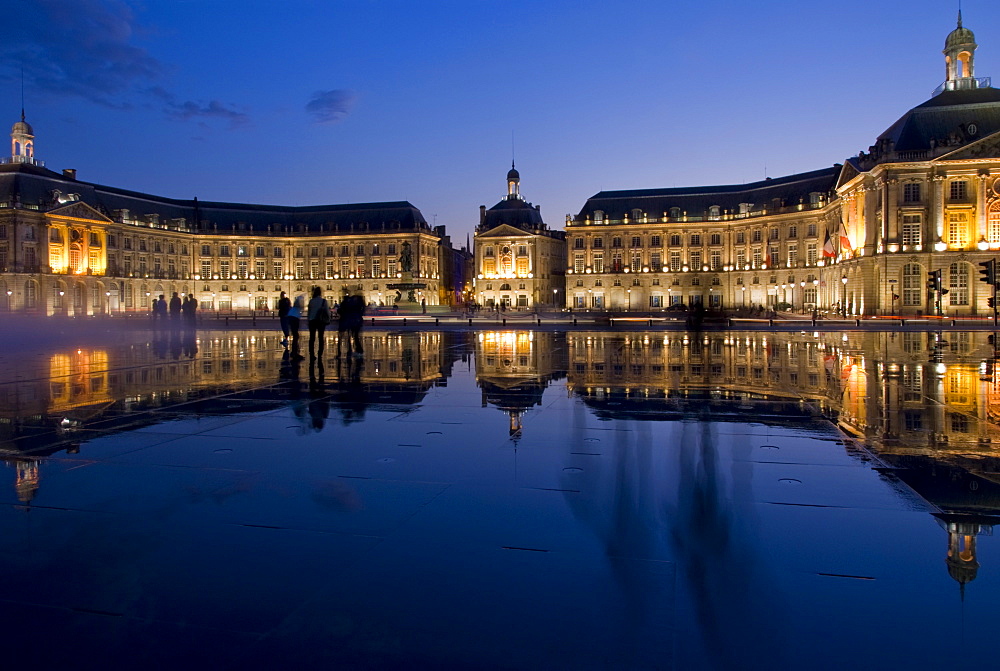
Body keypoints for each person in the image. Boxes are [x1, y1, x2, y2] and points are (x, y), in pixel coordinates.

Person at [337, 290, 366, 357]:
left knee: (348, 336)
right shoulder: (359, 304)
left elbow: (342, 310)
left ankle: (350, 350)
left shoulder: (348, 303)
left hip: (349, 320)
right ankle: (357, 349)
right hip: (356, 320)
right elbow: (362, 311)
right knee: (355, 336)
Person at [307, 286, 331, 359]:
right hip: (320, 321)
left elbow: (309, 312)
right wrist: (328, 319)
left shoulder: (311, 301)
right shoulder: (324, 301)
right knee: (321, 337)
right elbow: (327, 312)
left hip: (312, 320)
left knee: (312, 338)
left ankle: (311, 354)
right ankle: (320, 354)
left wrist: (309, 320)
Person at [287, 294, 304, 358]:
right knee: (296, 336)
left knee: (295, 335)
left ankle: (294, 352)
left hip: (292, 317)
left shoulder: (295, 305)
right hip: (294, 318)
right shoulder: (299, 303)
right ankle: (295, 353)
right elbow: (300, 307)